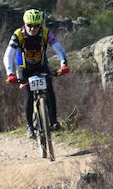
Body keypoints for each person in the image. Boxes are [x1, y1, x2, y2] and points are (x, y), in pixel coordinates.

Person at [4, 9, 69, 138]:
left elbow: (59, 49)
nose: (33, 29)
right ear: (24, 24)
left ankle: (54, 121)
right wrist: (10, 73)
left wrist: (64, 65)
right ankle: (29, 127)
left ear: (41, 24)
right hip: (24, 68)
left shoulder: (46, 33)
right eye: (30, 25)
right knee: (28, 96)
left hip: (41, 66)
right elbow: (8, 55)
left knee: (49, 91)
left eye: (36, 26)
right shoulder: (18, 35)